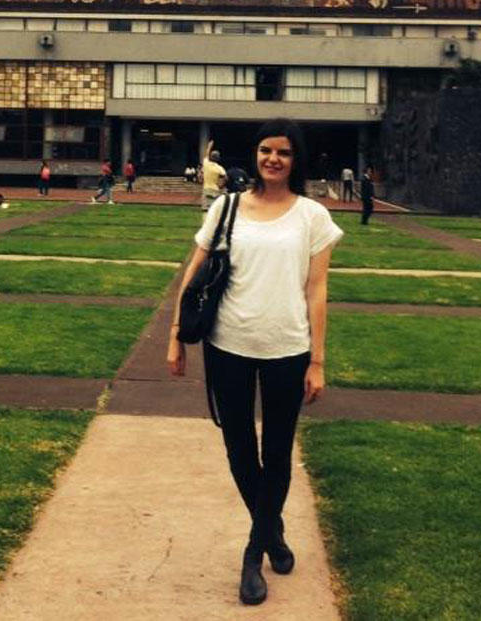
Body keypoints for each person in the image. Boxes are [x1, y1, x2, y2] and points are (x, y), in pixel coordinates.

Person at [167, 118, 343, 606]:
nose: (273, 159)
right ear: (255, 154)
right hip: (228, 345)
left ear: (295, 160)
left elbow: (317, 289)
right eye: (266, 150)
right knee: (240, 450)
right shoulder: (226, 208)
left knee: (278, 452)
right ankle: (274, 534)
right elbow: (194, 271)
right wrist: (175, 337)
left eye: (283, 153)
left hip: (288, 349)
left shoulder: (312, 216)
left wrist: (318, 361)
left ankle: (252, 553)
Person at [201, 139, 227, 211]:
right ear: (218, 158)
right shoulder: (219, 168)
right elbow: (225, 177)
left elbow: (206, 154)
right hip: (215, 189)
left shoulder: (206, 164)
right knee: (215, 209)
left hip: (206, 188)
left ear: (211, 157)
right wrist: (221, 185)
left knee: (205, 209)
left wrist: (209, 146)